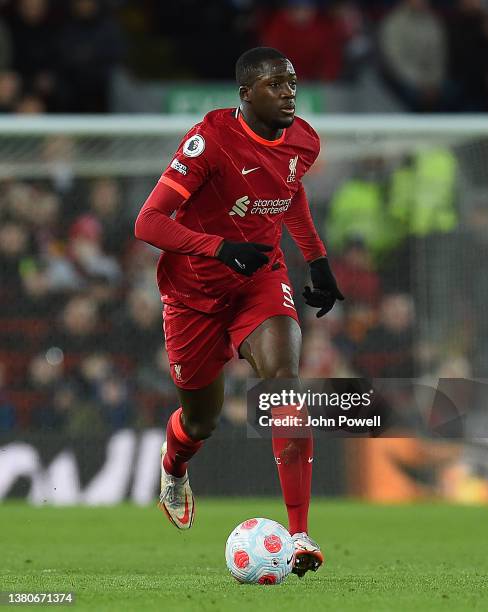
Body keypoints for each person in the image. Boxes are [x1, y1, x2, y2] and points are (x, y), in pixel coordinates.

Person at [134, 47, 344, 578]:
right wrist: (218, 247)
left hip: (259, 280)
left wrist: (317, 261)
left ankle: (299, 534)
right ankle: (174, 467)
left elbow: (289, 193)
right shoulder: (210, 140)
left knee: (284, 385)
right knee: (200, 421)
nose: (289, 93)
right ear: (246, 94)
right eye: (275, 85)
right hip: (193, 294)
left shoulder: (304, 140)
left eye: (292, 83)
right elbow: (148, 222)